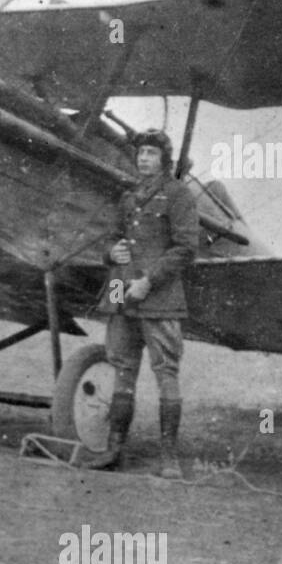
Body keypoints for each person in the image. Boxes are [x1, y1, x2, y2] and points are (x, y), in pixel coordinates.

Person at [87, 128, 199, 479]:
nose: (144, 158)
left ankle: (169, 457)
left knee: (165, 371)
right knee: (121, 366)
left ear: (164, 159)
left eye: (151, 153)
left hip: (158, 295)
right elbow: (112, 237)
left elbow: (185, 248)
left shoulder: (178, 195)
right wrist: (110, 252)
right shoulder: (129, 196)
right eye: (140, 153)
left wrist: (149, 281)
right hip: (121, 292)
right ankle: (114, 448)